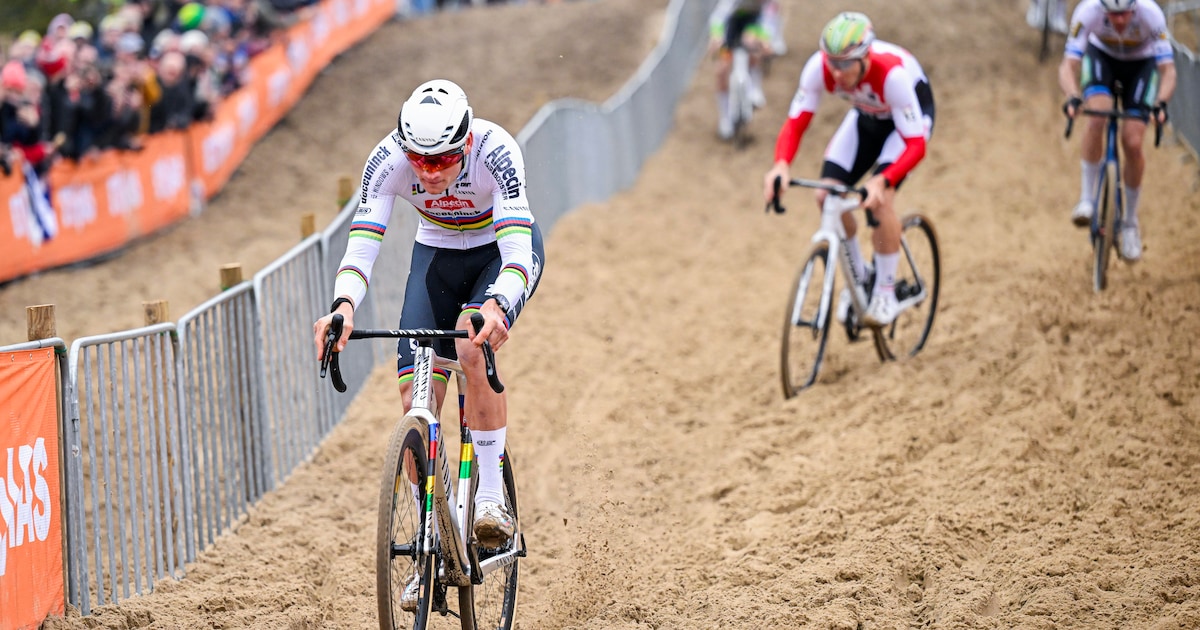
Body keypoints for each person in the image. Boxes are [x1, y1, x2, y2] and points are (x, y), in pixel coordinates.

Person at [312, 79, 543, 604]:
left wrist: (498, 304)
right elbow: (363, 241)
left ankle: (490, 498)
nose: (429, 172)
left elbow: (516, 253)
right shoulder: (388, 159)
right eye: (418, 160)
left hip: (498, 255)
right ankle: (428, 539)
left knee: (469, 345)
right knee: (414, 394)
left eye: (440, 161)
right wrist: (343, 305)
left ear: (465, 143)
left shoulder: (496, 151)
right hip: (436, 256)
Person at [762, 11, 934, 328]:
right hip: (866, 117)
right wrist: (781, 165)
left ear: (865, 57)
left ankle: (885, 291)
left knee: (880, 202)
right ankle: (861, 276)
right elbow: (796, 122)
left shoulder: (892, 76)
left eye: (844, 64)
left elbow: (916, 145)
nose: (836, 72)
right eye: (832, 62)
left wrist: (883, 180)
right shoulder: (819, 69)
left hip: (906, 126)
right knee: (827, 195)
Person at [1059, 0, 1174, 262]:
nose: (1119, 21)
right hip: (1102, 58)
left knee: (1132, 142)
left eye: (1124, 14)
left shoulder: (1151, 14)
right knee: (1097, 117)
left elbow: (1168, 71)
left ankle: (1130, 223)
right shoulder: (1088, 11)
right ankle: (1087, 199)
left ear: (1134, 8)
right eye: (1112, 15)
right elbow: (1068, 65)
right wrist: (1073, 96)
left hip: (1141, 65)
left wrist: (1161, 103)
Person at [707, 0, 780, 140]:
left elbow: (769, 17)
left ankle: (755, 88)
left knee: (752, 44)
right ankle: (725, 118)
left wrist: (766, 40)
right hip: (731, 23)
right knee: (722, 69)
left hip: (753, 22)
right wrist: (716, 36)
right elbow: (719, 16)